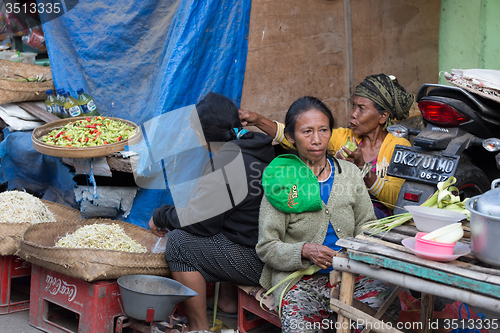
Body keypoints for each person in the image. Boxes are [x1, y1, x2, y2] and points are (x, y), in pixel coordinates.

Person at [256, 96, 399, 333]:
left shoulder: (350, 173)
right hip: (300, 282)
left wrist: (354, 254)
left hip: (352, 276)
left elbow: (367, 223)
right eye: (307, 132)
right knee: (300, 325)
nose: (316, 140)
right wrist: (304, 250)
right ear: (290, 137)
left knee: (384, 308)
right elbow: (267, 247)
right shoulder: (283, 182)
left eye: (323, 130)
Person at [149, 92, 275, 333]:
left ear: (201, 135)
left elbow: (202, 224)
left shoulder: (226, 163)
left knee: (179, 244)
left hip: (260, 260)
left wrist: (161, 215)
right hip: (267, 246)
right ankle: (227, 303)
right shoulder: (260, 147)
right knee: (230, 223)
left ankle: (199, 327)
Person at [240, 74, 414, 216]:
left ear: (383, 116)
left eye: (361, 108)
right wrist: (258, 120)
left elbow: (396, 198)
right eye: (353, 105)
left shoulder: (398, 146)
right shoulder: (343, 137)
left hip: (376, 221)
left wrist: (362, 167)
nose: (353, 114)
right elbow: (298, 135)